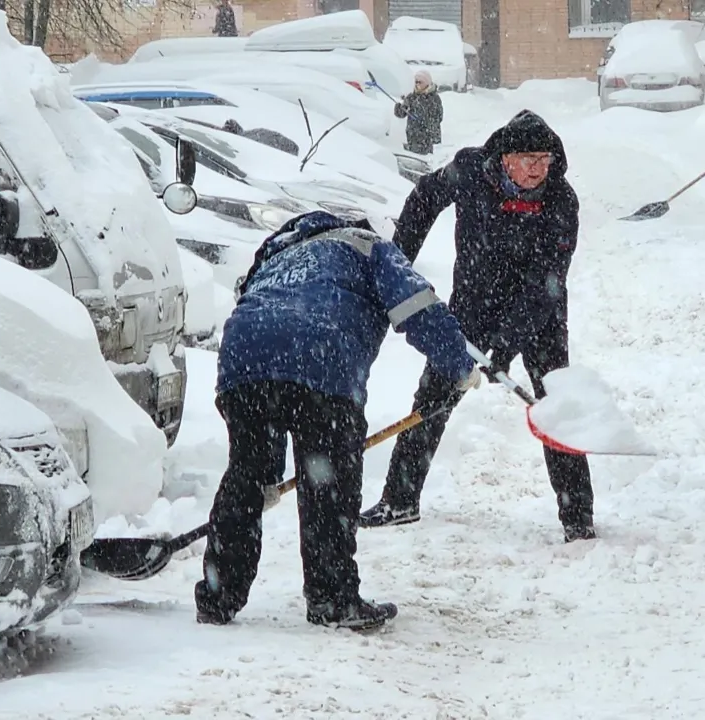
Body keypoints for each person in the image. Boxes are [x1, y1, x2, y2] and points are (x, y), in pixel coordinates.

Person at [196, 210, 481, 631]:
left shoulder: (280, 253)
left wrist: (261, 480)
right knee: (327, 481)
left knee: (247, 475)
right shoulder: (369, 246)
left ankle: (219, 597)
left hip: (245, 357)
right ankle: (331, 598)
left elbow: (256, 305)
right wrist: (459, 365)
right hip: (322, 355)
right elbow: (419, 308)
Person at [359, 109, 596, 543]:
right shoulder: (470, 170)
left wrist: (503, 348)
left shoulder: (561, 201)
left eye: (543, 159)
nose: (537, 169)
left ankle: (577, 516)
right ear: (505, 158)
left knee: (555, 402)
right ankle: (400, 498)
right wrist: (398, 262)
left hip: (538, 314)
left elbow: (545, 286)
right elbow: (425, 197)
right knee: (433, 397)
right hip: (473, 304)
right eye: (528, 159)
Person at [393, 71, 444, 156]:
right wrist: (399, 109)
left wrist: (423, 120)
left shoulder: (434, 98)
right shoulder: (412, 97)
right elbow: (402, 114)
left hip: (428, 139)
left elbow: (438, 117)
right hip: (413, 136)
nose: (417, 84)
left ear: (427, 83)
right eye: (415, 82)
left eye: (420, 82)